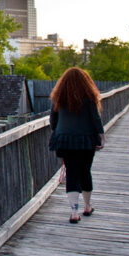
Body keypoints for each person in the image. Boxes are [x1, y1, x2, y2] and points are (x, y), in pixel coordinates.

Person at [49, 67, 105, 223]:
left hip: (65, 139)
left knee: (72, 173)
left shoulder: (58, 97)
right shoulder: (89, 96)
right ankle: (87, 206)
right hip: (86, 138)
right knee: (85, 171)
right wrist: (101, 137)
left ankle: (74, 212)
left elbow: (53, 120)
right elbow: (95, 118)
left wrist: (58, 132)